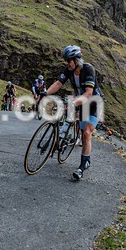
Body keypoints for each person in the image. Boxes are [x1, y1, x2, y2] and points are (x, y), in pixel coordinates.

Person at [43, 44, 103, 181]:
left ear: (77, 60)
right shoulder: (69, 70)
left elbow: (88, 94)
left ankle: (83, 166)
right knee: (81, 132)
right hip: (81, 102)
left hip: (94, 103)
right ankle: (66, 137)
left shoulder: (88, 69)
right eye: (66, 60)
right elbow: (59, 83)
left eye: (69, 60)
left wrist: (73, 103)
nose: (67, 63)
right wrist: (45, 93)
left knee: (87, 133)